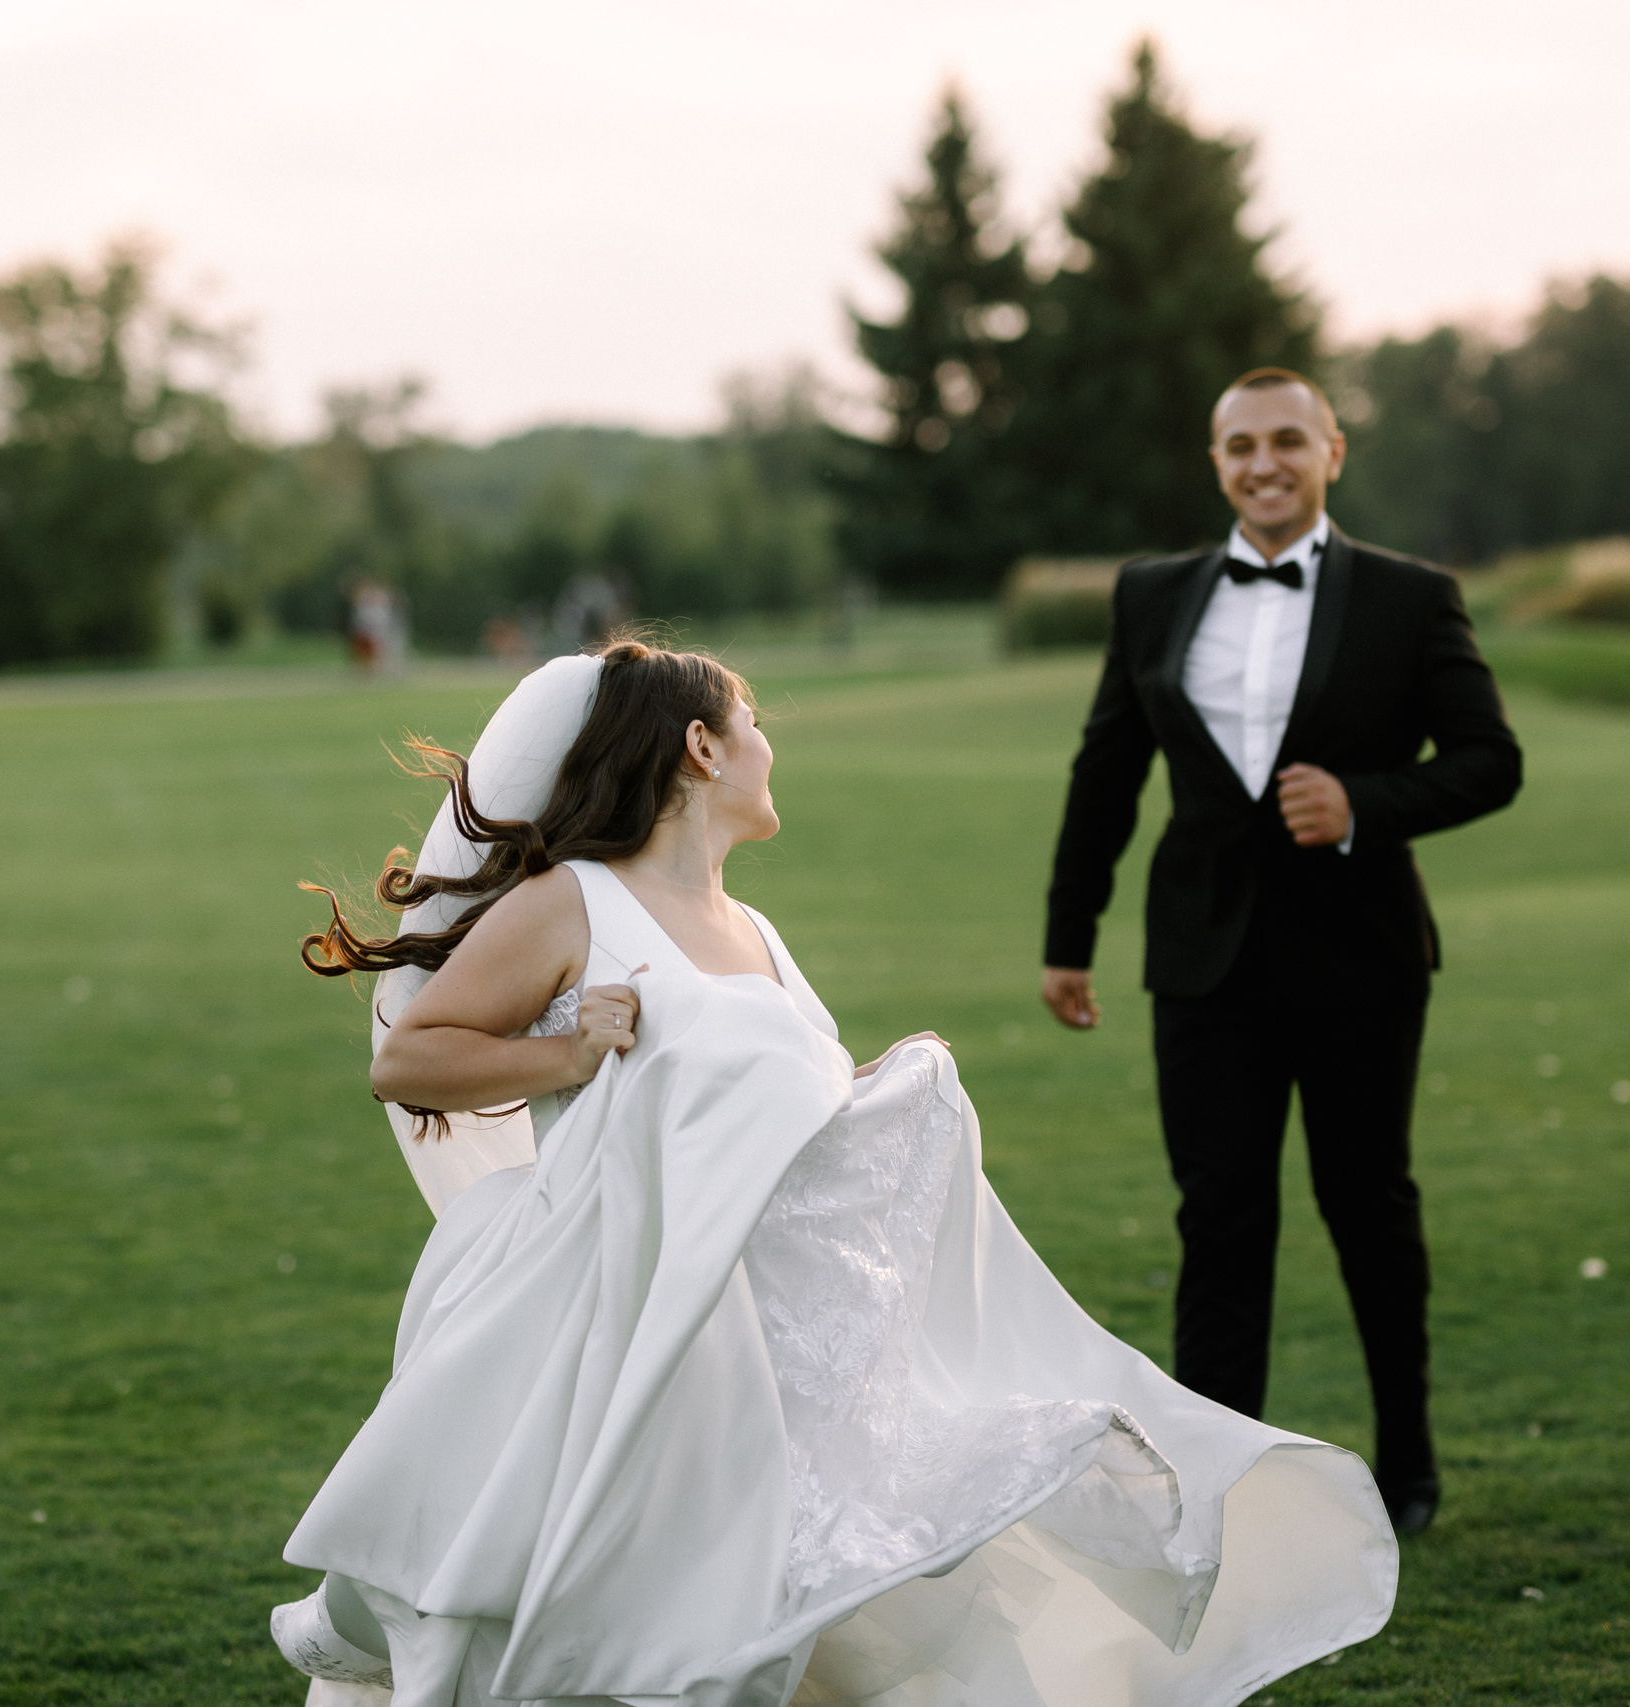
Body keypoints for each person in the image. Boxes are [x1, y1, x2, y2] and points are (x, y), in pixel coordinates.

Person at [273, 637, 1398, 1707]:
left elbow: (788, 1125)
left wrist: (896, 1089)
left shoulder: (753, 929)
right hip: (628, 1324)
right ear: (702, 749)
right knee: (637, 1610)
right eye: (754, 722)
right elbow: (409, 1059)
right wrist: (565, 1052)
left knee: (810, 1611)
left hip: (772, 1351)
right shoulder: (573, 902)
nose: (769, 745)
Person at [1039, 369, 1523, 1539]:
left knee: (1368, 1208)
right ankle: (1217, 1477)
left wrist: (1362, 802)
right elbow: (1106, 774)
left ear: (1332, 454)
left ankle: (1406, 1465)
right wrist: (1069, 937)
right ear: (1216, 463)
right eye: (1242, 445)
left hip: (1360, 956)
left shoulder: (1412, 598)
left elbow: (1488, 759)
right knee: (1218, 1219)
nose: (1265, 462)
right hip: (1202, 962)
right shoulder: (1150, 595)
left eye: (1288, 442)